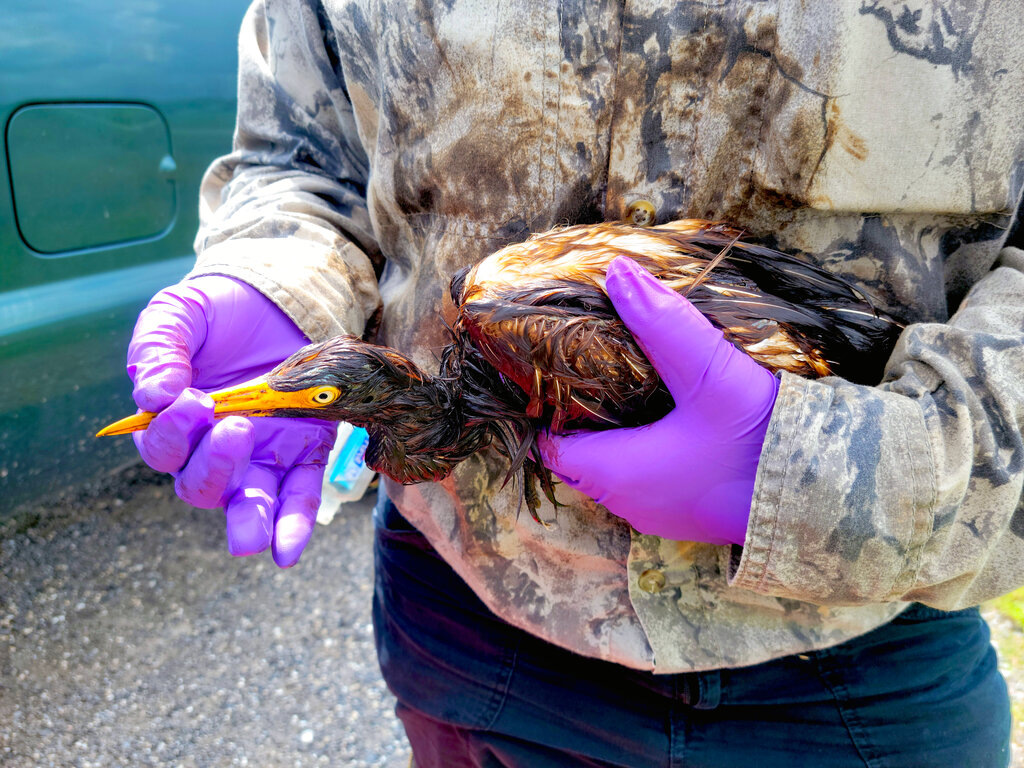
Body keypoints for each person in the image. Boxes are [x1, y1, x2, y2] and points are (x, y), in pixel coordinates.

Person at [125, 1, 1024, 765]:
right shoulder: (478, 352)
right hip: (468, 633)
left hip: (854, 663)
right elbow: (307, 159)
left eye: (316, 396)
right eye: (315, 397)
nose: (291, 398)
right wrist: (281, 282)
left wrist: (830, 472)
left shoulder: (514, 334)